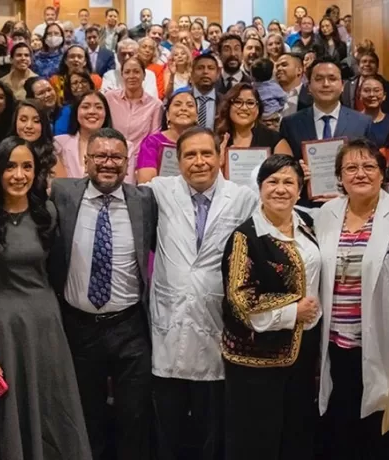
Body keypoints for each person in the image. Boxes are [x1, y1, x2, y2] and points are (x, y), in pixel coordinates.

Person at [0, 136, 93, 460]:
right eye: (11, 167)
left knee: (50, 411)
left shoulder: (46, 212)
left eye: (27, 167)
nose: (19, 174)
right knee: (3, 417)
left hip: (45, 325)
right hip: (1, 327)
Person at [313, 139, 389, 460]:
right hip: (336, 347)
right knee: (340, 432)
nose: (360, 174)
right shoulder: (326, 214)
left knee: (380, 437)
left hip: (387, 346)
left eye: (369, 166)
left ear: (382, 174)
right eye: (351, 168)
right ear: (339, 177)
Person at [142, 127, 260, 460]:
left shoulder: (242, 198)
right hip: (170, 331)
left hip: (216, 332)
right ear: (177, 161)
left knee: (213, 435)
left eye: (206, 153)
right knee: (167, 434)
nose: (199, 162)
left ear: (220, 156)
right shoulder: (158, 191)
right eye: (190, 155)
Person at [49, 128, 156, 460]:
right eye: (100, 156)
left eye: (115, 157)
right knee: (84, 415)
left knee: (133, 417)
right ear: (86, 160)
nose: (108, 163)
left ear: (127, 163)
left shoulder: (145, 201)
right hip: (78, 326)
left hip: (130, 327)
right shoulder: (63, 194)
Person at [221, 154, 321, 460]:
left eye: (289, 182)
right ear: (260, 187)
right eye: (272, 182)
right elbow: (240, 301)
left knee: (295, 435)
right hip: (256, 359)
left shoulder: (308, 225)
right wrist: (294, 311)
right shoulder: (245, 236)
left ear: (300, 189)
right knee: (256, 440)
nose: (281, 189)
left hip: (302, 352)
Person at [280, 56, 376, 206]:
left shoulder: (362, 123)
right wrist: (297, 172)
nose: (326, 84)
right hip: (304, 206)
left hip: (350, 205)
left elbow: (371, 166)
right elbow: (283, 168)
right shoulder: (290, 124)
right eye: (318, 79)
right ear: (309, 87)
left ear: (342, 85)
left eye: (332, 79)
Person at [105, 58, 162, 183]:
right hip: (110, 161)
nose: (132, 76)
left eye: (136, 72)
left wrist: (141, 167)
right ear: (122, 75)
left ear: (144, 75)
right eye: (127, 72)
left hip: (138, 165)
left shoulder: (155, 105)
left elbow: (153, 139)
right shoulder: (109, 98)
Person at [135, 91, 198, 183]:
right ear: (167, 115)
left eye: (190, 105)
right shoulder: (152, 142)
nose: (184, 108)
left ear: (196, 116)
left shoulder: (204, 143)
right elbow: (146, 182)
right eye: (177, 104)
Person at [55, 92, 112, 179]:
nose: (92, 111)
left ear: (106, 114)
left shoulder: (125, 147)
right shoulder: (58, 144)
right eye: (85, 107)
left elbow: (126, 188)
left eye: (98, 107)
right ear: (76, 112)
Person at [341, 50, 389, 116]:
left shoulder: (387, 86)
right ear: (358, 66)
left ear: (377, 67)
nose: (367, 64)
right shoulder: (348, 86)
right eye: (364, 61)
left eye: (372, 62)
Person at [357, 77, 389, 146]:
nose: (372, 94)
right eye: (366, 90)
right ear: (359, 95)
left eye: (376, 90)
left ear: (384, 96)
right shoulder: (351, 121)